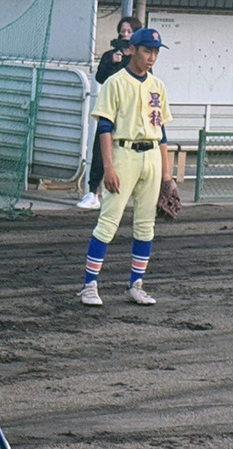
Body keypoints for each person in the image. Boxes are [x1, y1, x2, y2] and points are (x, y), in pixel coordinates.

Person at [77, 28, 173, 306]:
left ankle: (136, 285)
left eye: (155, 52)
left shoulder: (158, 85)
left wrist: (167, 174)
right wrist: (108, 167)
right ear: (132, 50)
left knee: (146, 225)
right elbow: (104, 128)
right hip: (124, 154)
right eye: (147, 51)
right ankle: (89, 286)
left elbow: (162, 131)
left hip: (152, 155)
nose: (152, 57)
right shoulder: (115, 83)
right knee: (108, 222)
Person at [78, 16, 142, 210]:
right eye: (123, 31)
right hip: (109, 108)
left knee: (126, 150)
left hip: (129, 112)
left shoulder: (138, 57)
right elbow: (101, 77)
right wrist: (113, 62)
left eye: (129, 31)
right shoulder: (110, 55)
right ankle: (92, 191)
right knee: (100, 149)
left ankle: (126, 189)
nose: (125, 35)